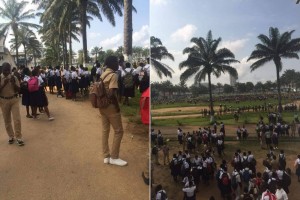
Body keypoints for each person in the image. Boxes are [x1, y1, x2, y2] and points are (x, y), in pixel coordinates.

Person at [99, 56, 127, 166]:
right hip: (110, 106)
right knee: (119, 131)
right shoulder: (113, 75)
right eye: (117, 62)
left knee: (105, 130)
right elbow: (111, 93)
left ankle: (106, 156)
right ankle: (114, 157)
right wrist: (116, 105)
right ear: (112, 63)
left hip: (102, 106)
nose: (118, 64)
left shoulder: (103, 74)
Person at [0, 62, 24, 146]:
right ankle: (11, 136)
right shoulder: (0, 78)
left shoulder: (14, 77)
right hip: (3, 100)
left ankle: (19, 137)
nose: (6, 72)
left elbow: (19, 90)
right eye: (5, 70)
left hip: (14, 99)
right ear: (2, 70)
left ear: (10, 70)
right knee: (7, 120)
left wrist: (14, 84)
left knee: (17, 119)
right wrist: (4, 84)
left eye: (8, 70)